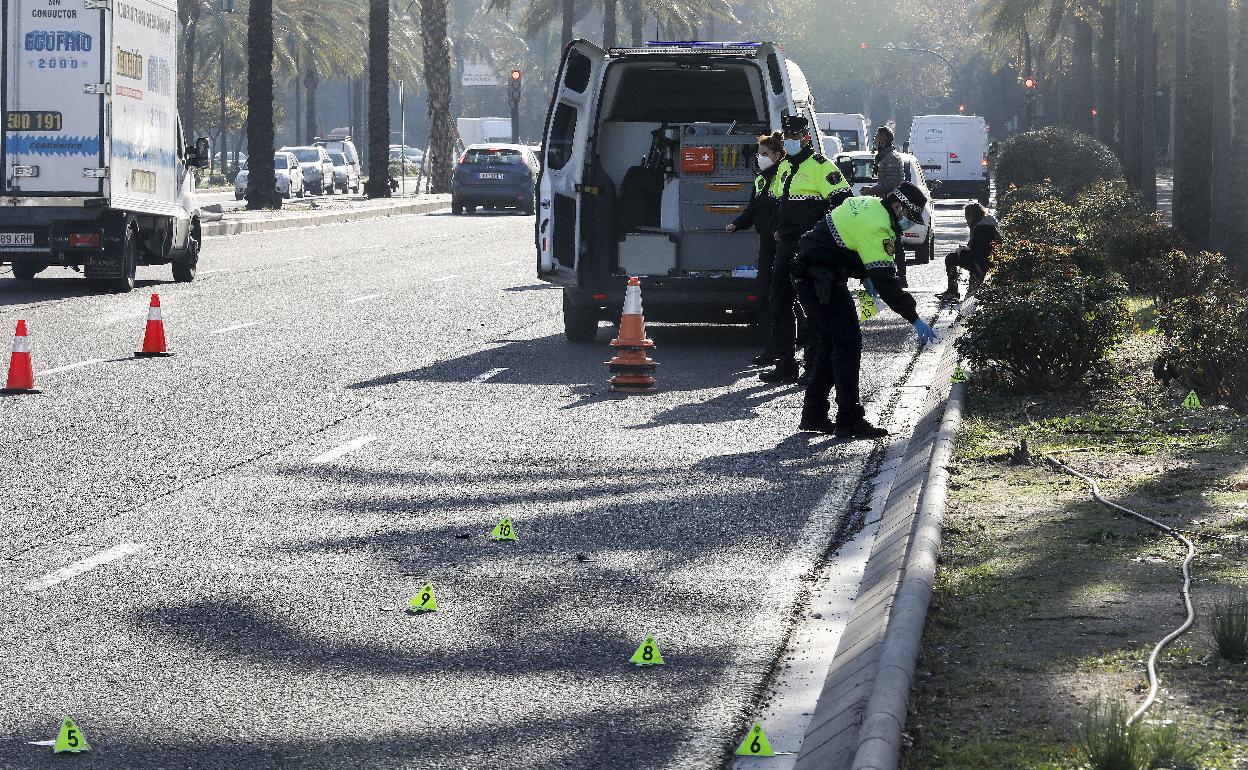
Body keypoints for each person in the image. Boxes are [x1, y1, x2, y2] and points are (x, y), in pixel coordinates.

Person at [791, 182, 938, 438]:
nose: (907, 223)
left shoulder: (870, 205)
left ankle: (813, 414)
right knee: (847, 344)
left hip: (813, 276)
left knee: (830, 345)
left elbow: (850, 244)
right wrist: (913, 317)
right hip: (820, 281)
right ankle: (849, 420)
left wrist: (863, 273)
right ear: (897, 205)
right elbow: (886, 282)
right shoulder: (878, 226)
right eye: (907, 216)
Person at [758, 115, 853, 384]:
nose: (790, 140)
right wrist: (777, 227)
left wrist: (821, 235)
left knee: (814, 307)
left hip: (812, 245)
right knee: (779, 301)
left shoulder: (821, 166)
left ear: (806, 138)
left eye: (795, 136)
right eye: (787, 136)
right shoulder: (784, 166)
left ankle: (814, 367)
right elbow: (778, 201)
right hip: (786, 244)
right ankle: (786, 364)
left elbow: (842, 201)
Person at [727, 133, 785, 365]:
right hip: (766, 245)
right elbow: (753, 210)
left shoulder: (786, 177)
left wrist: (781, 229)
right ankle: (770, 349)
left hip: (784, 244)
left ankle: (785, 351)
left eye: (764, 154)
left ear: (777, 155)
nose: (760, 158)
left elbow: (789, 210)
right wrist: (737, 224)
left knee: (781, 298)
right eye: (759, 154)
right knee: (763, 298)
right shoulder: (760, 180)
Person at [862, 125, 909, 286]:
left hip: (891, 204)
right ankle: (888, 274)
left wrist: (870, 190)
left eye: (876, 137)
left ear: (882, 140)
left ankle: (900, 277)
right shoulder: (884, 157)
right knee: (886, 239)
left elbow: (890, 183)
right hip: (885, 204)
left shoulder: (891, 159)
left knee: (894, 241)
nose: (874, 139)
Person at [936, 202, 1001, 301]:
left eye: (967, 218)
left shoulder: (980, 229)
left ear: (972, 217)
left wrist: (961, 252)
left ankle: (952, 291)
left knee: (951, 258)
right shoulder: (990, 225)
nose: (967, 222)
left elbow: (977, 252)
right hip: (989, 261)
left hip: (982, 263)